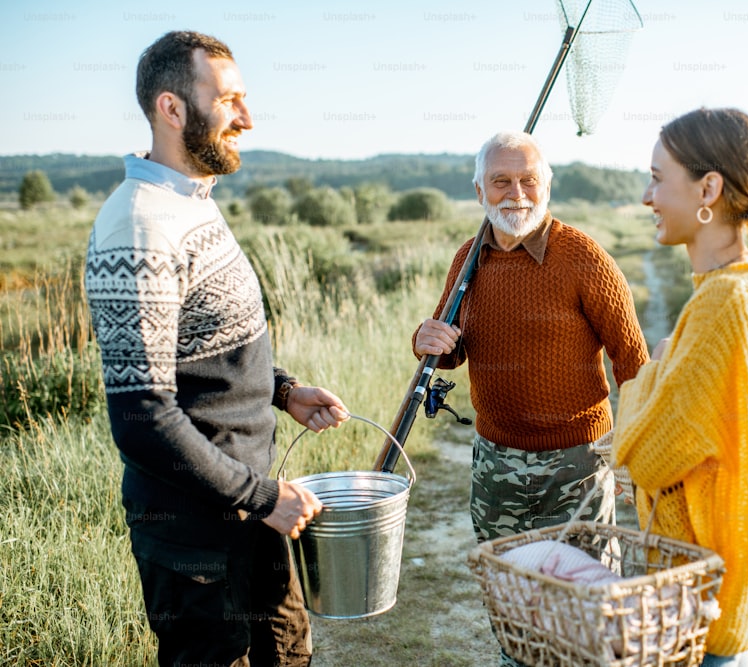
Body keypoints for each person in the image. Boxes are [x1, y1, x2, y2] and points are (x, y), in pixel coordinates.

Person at [84, 31, 350, 666]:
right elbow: (143, 417)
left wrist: (283, 391)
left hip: (248, 508)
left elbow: (203, 354)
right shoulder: (140, 226)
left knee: (288, 655)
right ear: (172, 109)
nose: (247, 119)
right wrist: (262, 497)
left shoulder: (192, 203)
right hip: (195, 542)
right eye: (229, 100)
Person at [413, 130, 649, 665]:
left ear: (548, 187)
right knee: (512, 597)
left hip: (579, 465)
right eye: (501, 181)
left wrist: (640, 450)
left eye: (528, 180)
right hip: (496, 463)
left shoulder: (584, 257)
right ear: (479, 191)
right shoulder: (467, 259)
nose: (516, 193)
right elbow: (449, 349)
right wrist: (426, 340)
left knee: (588, 605)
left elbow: (634, 364)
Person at [611, 108, 748, 666]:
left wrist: (653, 376)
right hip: (738, 566)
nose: (646, 196)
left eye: (658, 178)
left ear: (708, 187)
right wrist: (727, 419)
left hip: (703, 589)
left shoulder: (722, 303)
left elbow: (646, 459)